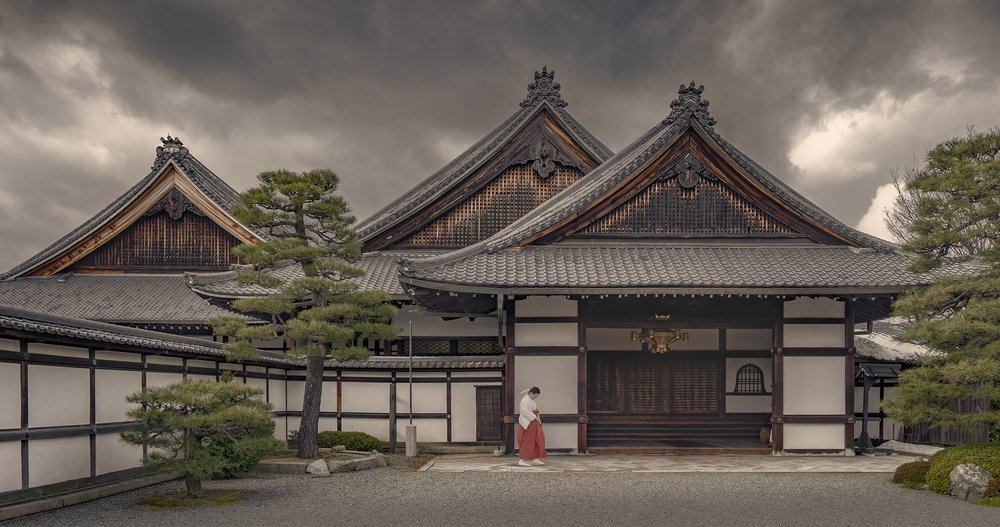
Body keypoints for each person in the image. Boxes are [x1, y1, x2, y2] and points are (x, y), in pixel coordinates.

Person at [517, 386, 547, 466]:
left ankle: (536, 458)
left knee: (538, 440)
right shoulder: (525, 400)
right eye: (535, 396)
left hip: (534, 421)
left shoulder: (530, 400)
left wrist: (536, 417)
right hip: (529, 422)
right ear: (531, 393)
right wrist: (534, 417)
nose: (535, 397)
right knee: (527, 441)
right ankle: (522, 460)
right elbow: (524, 412)